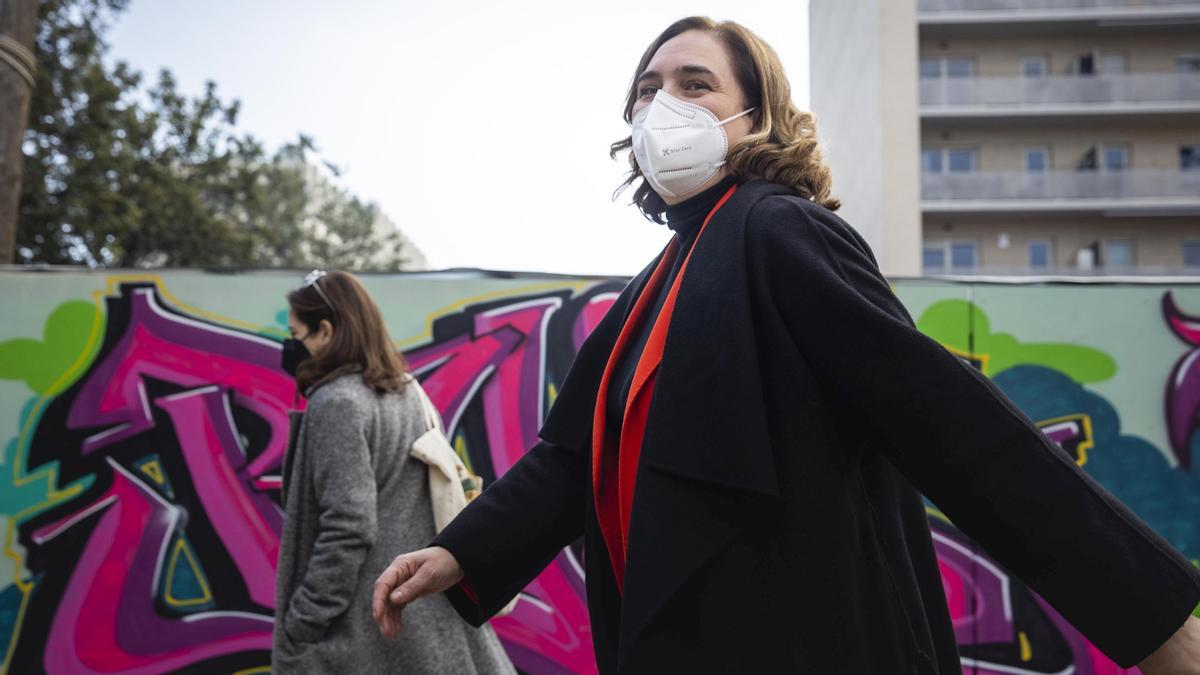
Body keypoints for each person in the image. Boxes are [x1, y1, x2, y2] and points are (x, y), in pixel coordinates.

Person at [371, 17, 1200, 674]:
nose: (665, 106)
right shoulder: (655, 283)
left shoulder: (777, 229)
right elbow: (569, 455)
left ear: (755, 115)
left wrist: (1150, 617)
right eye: (647, 89)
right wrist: (459, 551)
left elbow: (947, 419)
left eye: (696, 84)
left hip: (803, 641)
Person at [273, 270, 514, 674]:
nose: (289, 346)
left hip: (364, 630)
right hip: (424, 616)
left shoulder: (337, 403)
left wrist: (301, 624)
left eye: (296, 333)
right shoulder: (407, 394)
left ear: (326, 332)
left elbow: (348, 526)